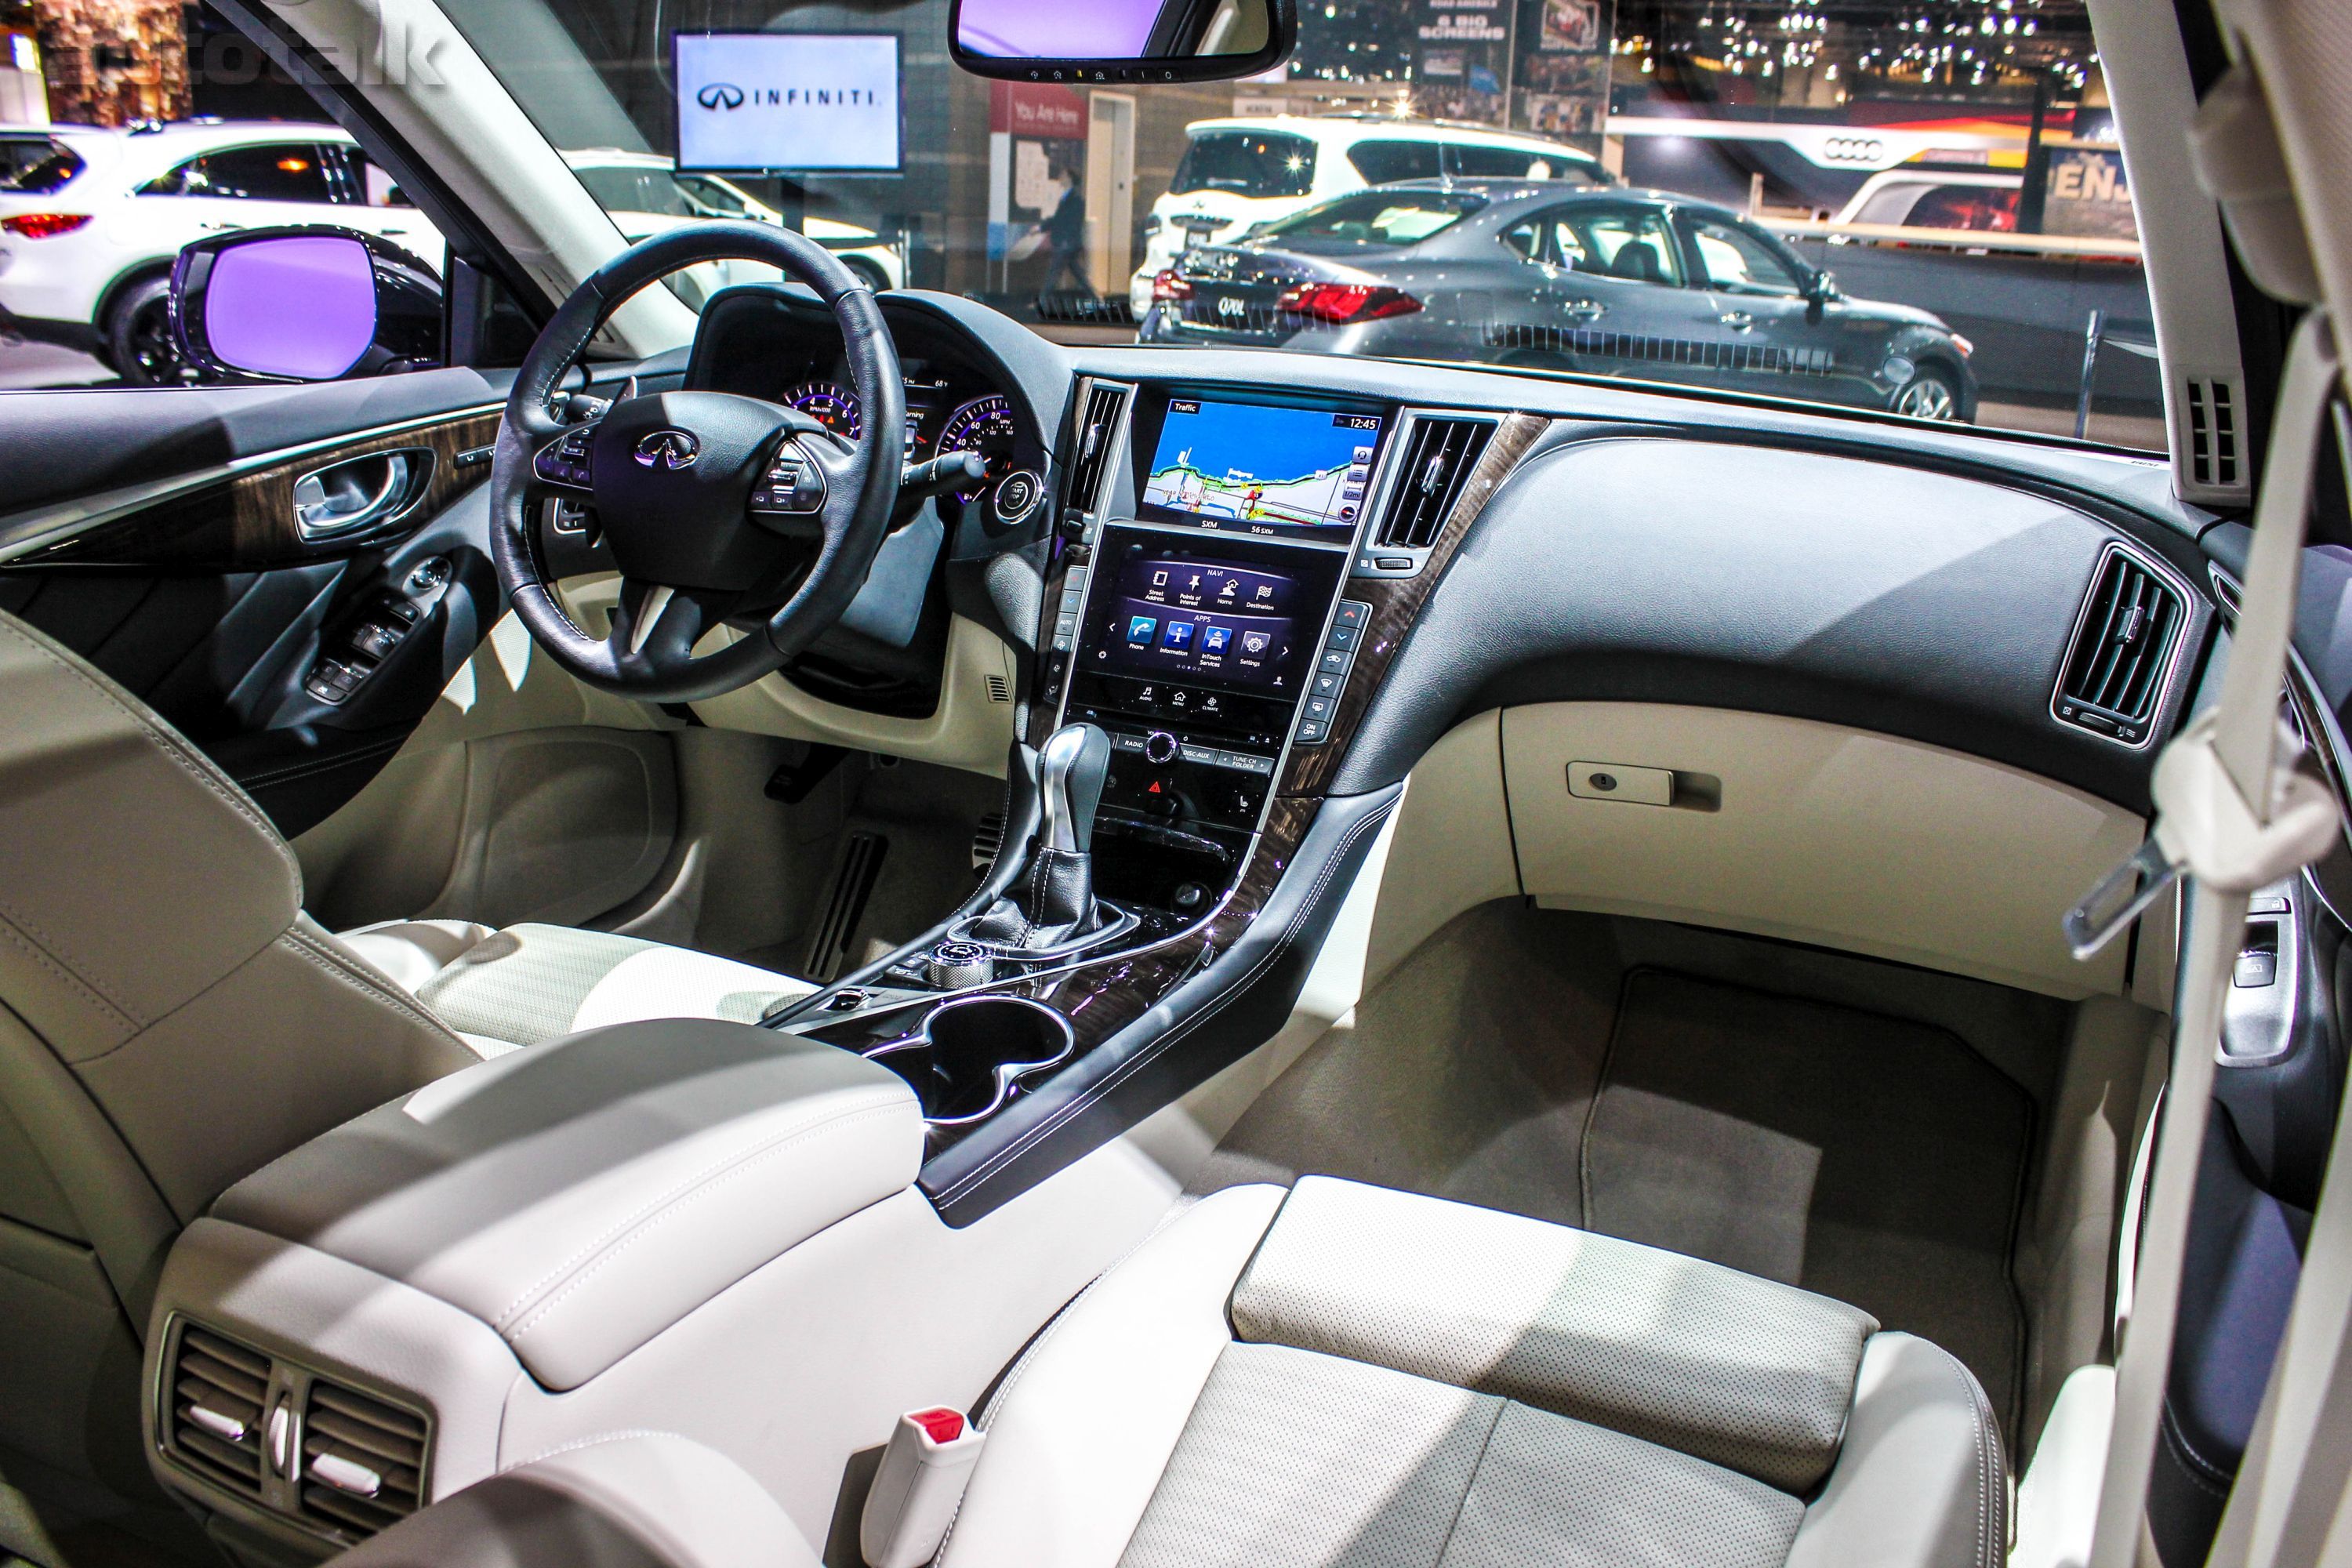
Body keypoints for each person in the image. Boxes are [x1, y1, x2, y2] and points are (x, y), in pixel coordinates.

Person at [1038, 172, 1091, 298]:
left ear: (1069, 179)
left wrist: (1043, 227)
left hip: (1066, 243)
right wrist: (1041, 227)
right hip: (1068, 243)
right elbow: (1059, 219)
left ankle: (1042, 300)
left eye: (1063, 176)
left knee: (1054, 272)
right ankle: (1096, 298)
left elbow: (1065, 220)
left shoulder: (1076, 199)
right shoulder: (1066, 198)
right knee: (1079, 274)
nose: (1060, 178)